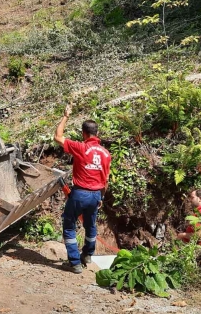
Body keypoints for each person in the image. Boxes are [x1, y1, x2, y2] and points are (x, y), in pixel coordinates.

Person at [54, 103, 111, 274]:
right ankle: (87, 255)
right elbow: (106, 180)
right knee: (90, 225)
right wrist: (101, 197)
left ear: (83, 134)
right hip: (95, 195)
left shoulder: (81, 147)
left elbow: (58, 136)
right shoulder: (106, 154)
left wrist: (65, 116)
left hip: (80, 193)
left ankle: (75, 262)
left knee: (69, 225)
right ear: (97, 133)